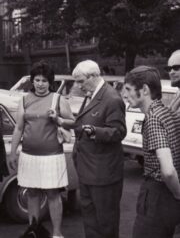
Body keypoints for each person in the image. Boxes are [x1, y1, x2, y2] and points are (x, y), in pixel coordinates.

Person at [9, 60, 74, 238]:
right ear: (32, 80)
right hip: (29, 155)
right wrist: (13, 153)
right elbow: (19, 128)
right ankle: (34, 231)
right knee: (32, 193)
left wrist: (58, 120)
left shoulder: (58, 99)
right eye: (37, 80)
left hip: (52, 156)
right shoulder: (24, 100)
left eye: (44, 80)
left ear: (50, 82)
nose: (40, 84)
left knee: (53, 194)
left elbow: (73, 122)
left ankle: (57, 234)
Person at [72, 60, 127, 238]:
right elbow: (83, 123)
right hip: (88, 171)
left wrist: (96, 132)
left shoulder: (112, 98)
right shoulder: (92, 94)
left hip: (104, 175)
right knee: (90, 221)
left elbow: (119, 132)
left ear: (94, 76)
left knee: (106, 224)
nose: (78, 86)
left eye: (80, 81)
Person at [124, 65, 180, 238]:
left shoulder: (153, 119)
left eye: (128, 89)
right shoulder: (166, 112)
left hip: (157, 195)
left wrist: (178, 194)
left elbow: (168, 171)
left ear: (145, 90)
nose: (124, 95)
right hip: (167, 197)